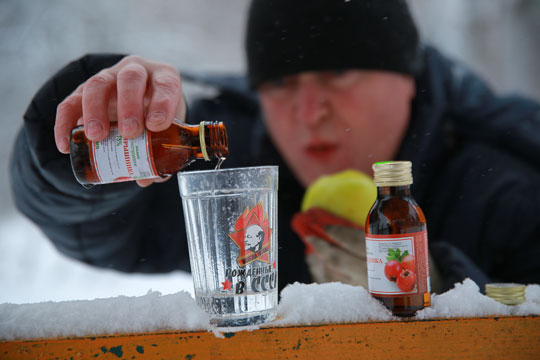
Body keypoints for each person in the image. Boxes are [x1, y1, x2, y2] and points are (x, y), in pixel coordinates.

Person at [10, 0, 540, 293]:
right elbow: (101, 232)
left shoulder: (507, 183)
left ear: (406, 77)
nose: (309, 112)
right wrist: (79, 135)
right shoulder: (239, 164)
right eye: (282, 85)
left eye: (337, 72)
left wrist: (446, 296)